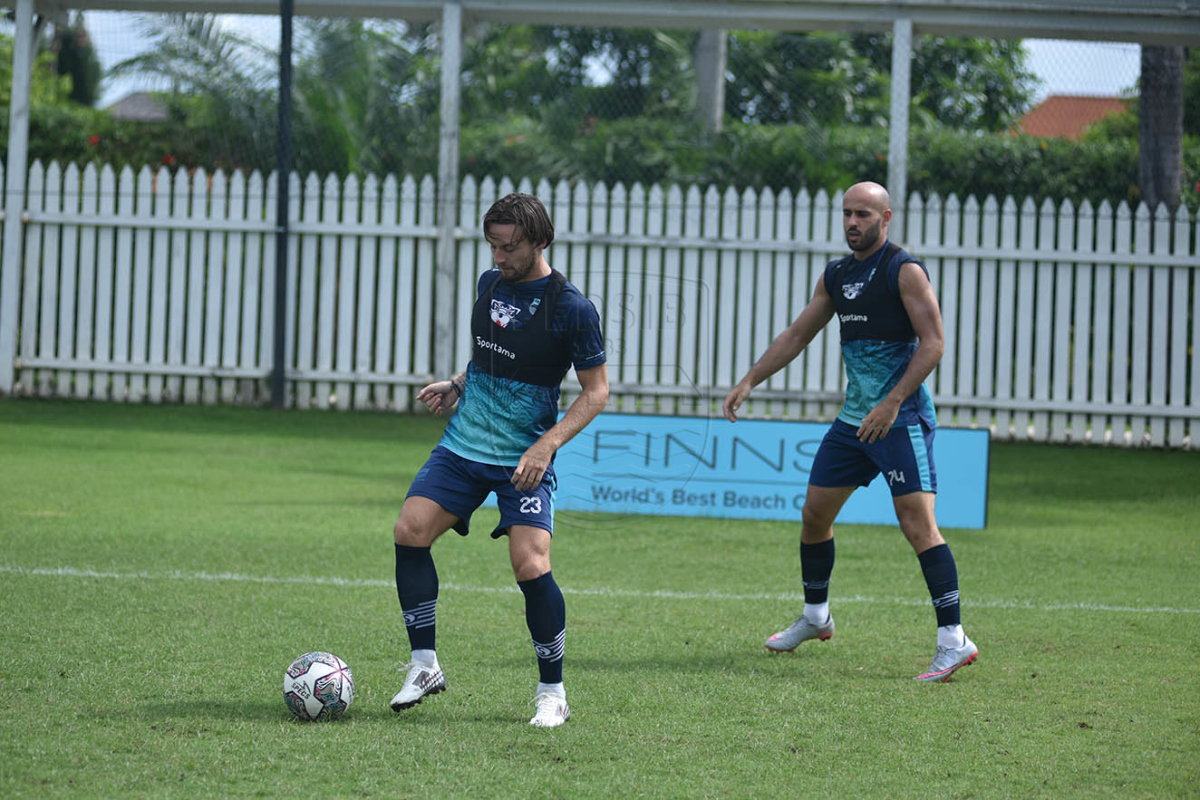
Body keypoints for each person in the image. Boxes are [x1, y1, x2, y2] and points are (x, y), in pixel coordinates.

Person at [722, 181, 978, 682]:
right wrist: (750, 379)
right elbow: (797, 334)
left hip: (899, 420)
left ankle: (954, 639)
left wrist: (892, 403)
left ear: (886, 218)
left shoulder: (904, 271)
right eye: (846, 214)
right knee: (814, 515)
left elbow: (934, 344)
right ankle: (817, 616)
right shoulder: (837, 275)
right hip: (854, 424)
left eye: (863, 214)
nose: (852, 223)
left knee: (917, 526)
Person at [390, 193, 609, 726]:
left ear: (540, 242)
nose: (498, 257)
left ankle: (552, 693)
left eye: (509, 247)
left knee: (530, 563)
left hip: (524, 459)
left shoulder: (572, 308)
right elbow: (490, 352)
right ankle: (424, 665)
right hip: (464, 445)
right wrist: (459, 384)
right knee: (409, 530)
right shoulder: (491, 285)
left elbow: (597, 391)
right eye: (492, 244)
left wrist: (547, 444)